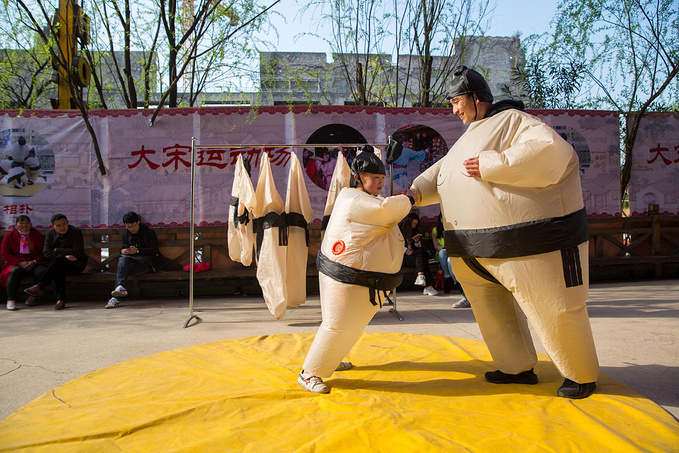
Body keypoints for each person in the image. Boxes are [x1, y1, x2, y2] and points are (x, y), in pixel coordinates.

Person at [407, 66, 599, 399]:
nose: (453, 110)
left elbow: (554, 152)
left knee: (555, 309)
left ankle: (580, 373)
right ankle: (515, 367)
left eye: (456, 101)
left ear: (476, 97)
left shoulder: (513, 121)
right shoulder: (472, 135)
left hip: (534, 244)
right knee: (495, 317)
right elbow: (444, 172)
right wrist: (415, 193)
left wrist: (495, 164)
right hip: (473, 250)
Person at [298, 145, 413, 393]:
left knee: (350, 324)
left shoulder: (365, 198)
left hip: (359, 279)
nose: (380, 183)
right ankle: (309, 373)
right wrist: (410, 198)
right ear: (358, 177)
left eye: (382, 178)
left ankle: (330, 358)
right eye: (374, 178)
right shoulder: (353, 199)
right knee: (337, 325)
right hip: (344, 277)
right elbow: (386, 212)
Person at [24, 214, 87, 310]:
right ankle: (60, 300)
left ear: (68, 223)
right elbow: (47, 252)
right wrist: (64, 256)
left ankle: (40, 286)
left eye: (64, 224)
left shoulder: (76, 232)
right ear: (53, 226)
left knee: (58, 262)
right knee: (59, 266)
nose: (62, 227)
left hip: (75, 265)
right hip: (58, 265)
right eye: (58, 225)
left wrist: (57, 250)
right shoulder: (51, 234)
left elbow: (77, 251)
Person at [105, 212, 161, 309]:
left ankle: (115, 298)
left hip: (147, 264)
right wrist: (124, 251)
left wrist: (138, 250)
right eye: (128, 227)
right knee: (123, 261)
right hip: (132, 263)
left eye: (133, 226)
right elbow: (123, 248)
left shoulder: (149, 232)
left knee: (121, 271)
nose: (131, 229)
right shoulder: (126, 234)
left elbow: (154, 251)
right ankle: (118, 292)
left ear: (138, 222)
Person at [0, 215, 48, 311]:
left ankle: (32, 296)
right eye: (21, 223)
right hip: (16, 263)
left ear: (30, 225)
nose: (24, 225)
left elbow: (44, 252)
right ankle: (11, 299)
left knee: (42, 271)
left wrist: (34, 262)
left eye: (26, 223)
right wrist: (19, 263)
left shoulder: (37, 235)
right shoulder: (9, 236)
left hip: (33, 262)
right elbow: (4, 253)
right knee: (14, 272)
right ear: (16, 225)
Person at [431, 213, 469, 306]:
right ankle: (448, 276)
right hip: (443, 251)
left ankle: (462, 291)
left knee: (450, 261)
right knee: (443, 254)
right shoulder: (436, 231)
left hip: (455, 253)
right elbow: (436, 245)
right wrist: (443, 248)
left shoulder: (454, 228)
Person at [399, 212, 438, 296]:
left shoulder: (414, 231)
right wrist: (405, 250)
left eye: (415, 224)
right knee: (422, 259)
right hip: (402, 257)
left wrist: (417, 242)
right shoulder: (399, 229)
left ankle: (421, 277)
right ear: (408, 222)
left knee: (421, 256)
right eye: (413, 223)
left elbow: (417, 248)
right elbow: (394, 244)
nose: (414, 226)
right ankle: (428, 286)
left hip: (414, 257)